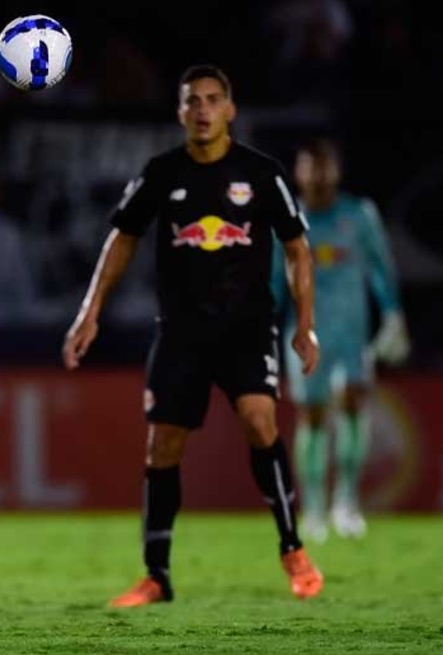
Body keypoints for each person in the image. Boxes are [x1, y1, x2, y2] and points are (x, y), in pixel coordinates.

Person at [61, 65, 324, 607]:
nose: (202, 110)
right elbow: (122, 238)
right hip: (180, 334)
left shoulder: (261, 172)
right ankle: (157, 575)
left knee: (259, 420)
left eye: (212, 100)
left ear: (230, 110)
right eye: (192, 102)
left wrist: (306, 323)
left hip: (247, 328)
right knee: (163, 447)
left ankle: (293, 550)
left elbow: (297, 247)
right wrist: (91, 311)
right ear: (180, 113)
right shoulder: (162, 172)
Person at [274, 138, 408, 542]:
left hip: (352, 332)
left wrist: (393, 313)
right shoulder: (285, 216)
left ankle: (347, 502)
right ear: (298, 173)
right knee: (311, 417)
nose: (317, 175)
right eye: (309, 167)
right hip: (305, 333)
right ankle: (313, 509)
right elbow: (273, 280)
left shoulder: (359, 215)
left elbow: (381, 266)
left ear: (336, 171)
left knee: (352, 406)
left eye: (324, 166)